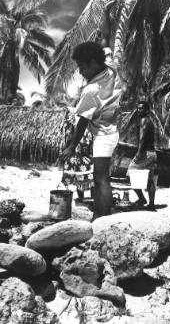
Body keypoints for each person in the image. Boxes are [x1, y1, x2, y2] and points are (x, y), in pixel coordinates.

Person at [59, 41, 121, 220]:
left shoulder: (91, 90)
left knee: (101, 178)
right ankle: (101, 213)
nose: (80, 72)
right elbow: (107, 50)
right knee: (101, 178)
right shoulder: (110, 66)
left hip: (104, 134)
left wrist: (71, 147)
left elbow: (82, 123)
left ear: (94, 63)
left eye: (82, 67)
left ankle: (101, 216)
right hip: (113, 129)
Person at [127, 100, 158, 210]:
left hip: (145, 154)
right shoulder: (150, 121)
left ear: (147, 110)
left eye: (141, 108)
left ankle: (142, 199)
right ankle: (151, 204)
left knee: (130, 174)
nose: (139, 110)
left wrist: (139, 154)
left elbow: (142, 138)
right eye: (138, 108)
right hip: (152, 153)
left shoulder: (144, 120)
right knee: (150, 180)